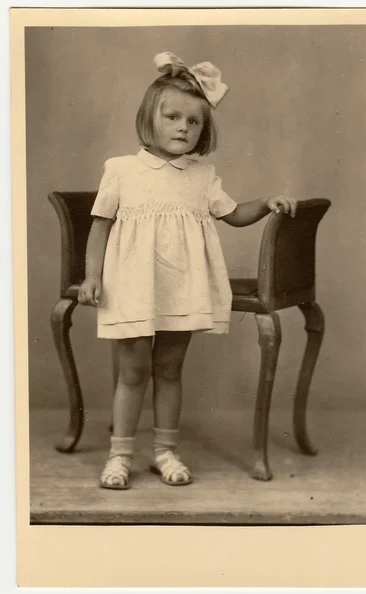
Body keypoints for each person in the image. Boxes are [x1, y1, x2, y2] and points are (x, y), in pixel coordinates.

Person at [78, 51, 297, 490]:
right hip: (133, 286)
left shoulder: (202, 176)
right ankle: (120, 456)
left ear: (203, 129)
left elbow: (233, 214)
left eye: (193, 121)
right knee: (133, 372)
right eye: (173, 117)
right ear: (149, 120)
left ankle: (164, 451)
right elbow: (100, 227)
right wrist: (93, 275)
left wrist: (266, 203)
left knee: (171, 370)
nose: (183, 127)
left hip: (181, 287)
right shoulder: (121, 170)